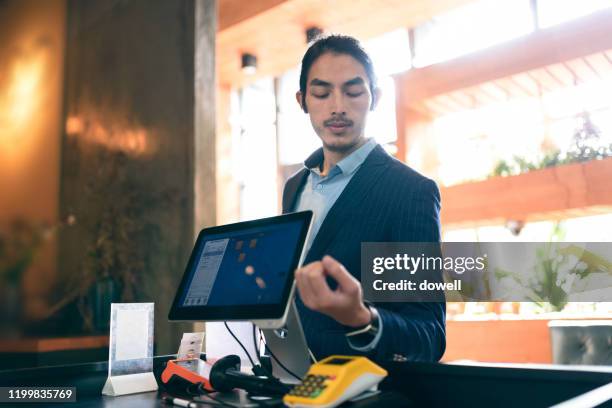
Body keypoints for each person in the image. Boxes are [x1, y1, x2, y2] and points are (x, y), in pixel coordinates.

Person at [282, 34, 446, 363]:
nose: (338, 106)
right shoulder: (294, 186)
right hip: (289, 386)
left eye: (353, 91)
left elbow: (428, 334)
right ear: (302, 100)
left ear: (375, 98)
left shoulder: (409, 192)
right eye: (321, 93)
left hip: (364, 392)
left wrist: (361, 318)